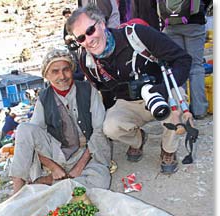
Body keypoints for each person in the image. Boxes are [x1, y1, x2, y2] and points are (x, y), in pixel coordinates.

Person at [66, 4, 193, 174]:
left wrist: (163, 89)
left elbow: (183, 60)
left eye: (90, 31)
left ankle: (168, 150)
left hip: (159, 93)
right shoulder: (87, 61)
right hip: (128, 103)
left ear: (102, 24)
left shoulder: (137, 34)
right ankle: (138, 139)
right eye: (81, 38)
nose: (88, 40)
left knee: (177, 102)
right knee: (110, 127)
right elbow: (104, 90)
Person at [9, 47, 111, 194]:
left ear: (72, 70)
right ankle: (17, 191)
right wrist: (53, 166)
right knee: (24, 129)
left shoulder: (88, 90)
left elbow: (99, 129)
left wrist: (80, 165)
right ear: (47, 75)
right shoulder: (44, 98)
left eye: (66, 69)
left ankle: (53, 181)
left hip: (86, 151)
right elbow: (34, 137)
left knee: (100, 182)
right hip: (56, 153)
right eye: (55, 71)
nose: (62, 76)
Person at [162, 0, 211, 119]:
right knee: (196, 66)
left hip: (171, 23)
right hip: (195, 22)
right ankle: (199, 110)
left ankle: (181, 108)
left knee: (178, 67)